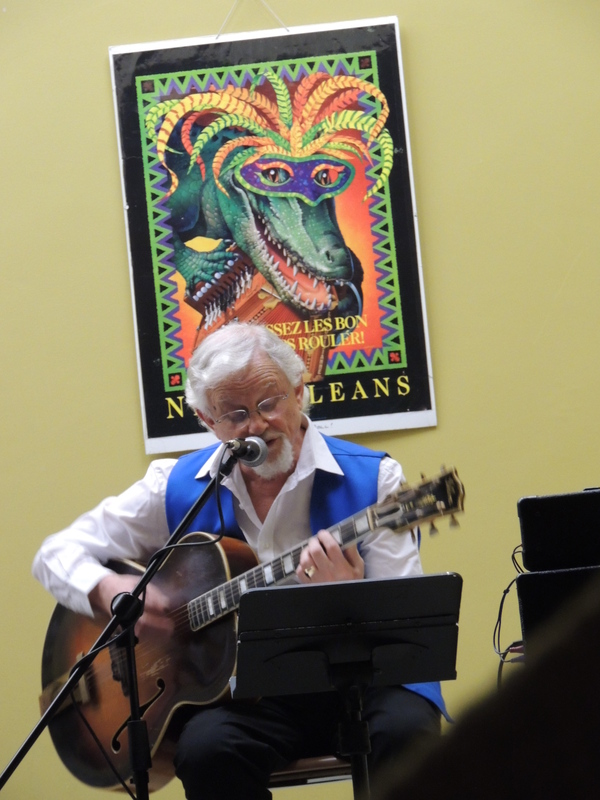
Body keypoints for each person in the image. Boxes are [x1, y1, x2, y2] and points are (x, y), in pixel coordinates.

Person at [33, 322, 446, 800]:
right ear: (207, 420)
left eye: (269, 402)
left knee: (407, 734)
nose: (257, 425)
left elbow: (405, 634)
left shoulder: (375, 481)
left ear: (299, 391)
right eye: (235, 414)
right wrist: (111, 591)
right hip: (249, 700)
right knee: (207, 749)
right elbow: (56, 553)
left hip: (363, 686)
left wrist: (347, 600)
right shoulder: (175, 485)